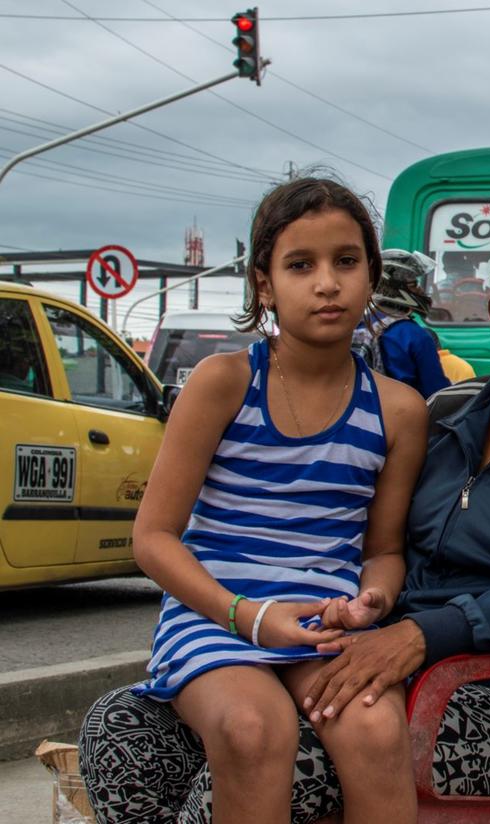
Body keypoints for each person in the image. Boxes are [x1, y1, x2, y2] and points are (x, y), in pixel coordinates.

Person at [80, 211, 490, 823]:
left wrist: (426, 633)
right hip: (365, 651)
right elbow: (359, 532)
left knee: (260, 765)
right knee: (123, 736)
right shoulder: (445, 414)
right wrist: (353, 607)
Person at [103, 177, 429, 823]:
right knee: (253, 727)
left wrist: (372, 602)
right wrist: (246, 617)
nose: (327, 283)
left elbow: (385, 549)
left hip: (323, 628)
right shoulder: (222, 383)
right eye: (300, 265)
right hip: (216, 618)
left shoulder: (398, 410)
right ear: (263, 284)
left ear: (371, 274)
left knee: (376, 730)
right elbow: (154, 538)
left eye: (346, 261)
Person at [352, 248, 450, 398]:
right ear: (395, 288)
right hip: (404, 416)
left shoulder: (357, 325)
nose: (420, 290)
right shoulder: (413, 335)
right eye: (414, 284)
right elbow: (437, 394)